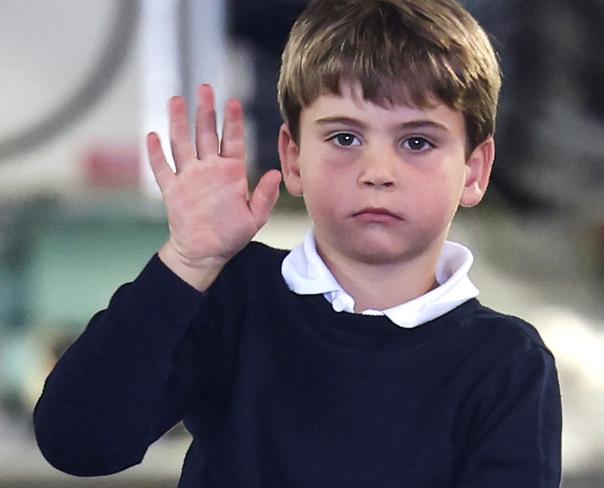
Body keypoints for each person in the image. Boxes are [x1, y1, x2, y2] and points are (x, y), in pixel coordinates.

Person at [33, 0, 562, 486]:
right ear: (291, 157)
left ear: (474, 171)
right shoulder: (235, 295)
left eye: (417, 141)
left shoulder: (508, 365)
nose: (377, 171)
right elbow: (78, 443)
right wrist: (187, 260)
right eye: (344, 138)